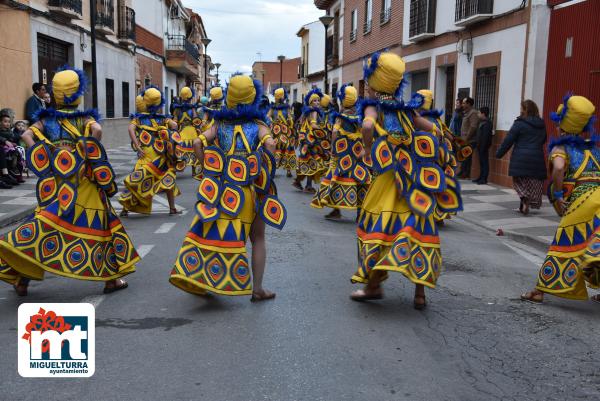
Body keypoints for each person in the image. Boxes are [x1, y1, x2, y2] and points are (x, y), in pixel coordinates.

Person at [0, 66, 139, 296]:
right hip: (84, 182)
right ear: (77, 93)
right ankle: (111, 280)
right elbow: (96, 130)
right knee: (101, 226)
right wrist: (86, 151)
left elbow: (25, 135)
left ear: (55, 93)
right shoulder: (85, 118)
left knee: (46, 225)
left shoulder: (47, 119)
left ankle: (22, 281)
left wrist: (45, 154)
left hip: (57, 184)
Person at [349, 52, 463, 309]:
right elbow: (433, 129)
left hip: (388, 178)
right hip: (414, 178)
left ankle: (373, 285)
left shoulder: (372, 106)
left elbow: (367, 127)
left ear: (374, 80)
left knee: (379, 227)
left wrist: (368, 149)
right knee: (417, 227)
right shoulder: (407, 110)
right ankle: (420, 293)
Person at [169, 74, 287, 300]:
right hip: (250, 191)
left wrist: (208, 170)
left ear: (229, 95)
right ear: (253, 95)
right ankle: (257, 289)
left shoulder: (218, 123)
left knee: (213, 233)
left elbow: (196, 142)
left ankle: (204, 280)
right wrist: (264, 172)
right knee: (258, 238)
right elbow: (271, 144)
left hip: (223, 191)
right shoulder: (258, 124)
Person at [521, 94, 600, 304]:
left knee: (563, 245)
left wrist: (557, 193)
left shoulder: (561, 148)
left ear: (563, 124)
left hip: (583, 201)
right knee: (593, 243)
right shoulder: (592, 148)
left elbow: (557, 168)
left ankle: (539, 291)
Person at [311, 84, 371, 220]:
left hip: (343, 152)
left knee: (336, 177)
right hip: (357, 151)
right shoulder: (360, 116)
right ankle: (360, 213)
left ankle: (336, 210)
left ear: (343, 100)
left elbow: (335, 132)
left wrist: (333, 147)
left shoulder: (340, 117)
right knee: (360, 178)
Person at [119, 89, 182, 217]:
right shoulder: (162, 119)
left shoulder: (138, 119)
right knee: (167, 177)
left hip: (146, 152)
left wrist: (137, 146)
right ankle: (172, 208)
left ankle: (125, 209)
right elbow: (175, 125)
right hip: (160, 153)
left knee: (138, 177)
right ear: (158, 104)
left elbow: (130, 128)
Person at [415, 89, 460, 225]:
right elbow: (450, 136)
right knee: (437, 185)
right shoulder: (436, 119)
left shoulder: (419, 119)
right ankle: (438, 216)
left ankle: (425, 214)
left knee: (424, 185)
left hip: (423, 158)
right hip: (440, 158)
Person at [496, 100, 547, 214]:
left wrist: (499, 153)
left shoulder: (519, 123)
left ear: (525, 110)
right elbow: (544, 140)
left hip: (520, 157)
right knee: (531, 181)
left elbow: (508, 140)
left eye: (522, 108)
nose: (520, 110)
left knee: (519, 181)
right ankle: (524, 204)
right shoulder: (541, 124)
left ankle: (524, 199)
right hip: (536, 157)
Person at [293, 88, 328, 193]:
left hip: (305, 140)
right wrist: (323, 130)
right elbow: (313, 124)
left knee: (307, 161)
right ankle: (308, 185)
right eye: (314, 101)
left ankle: (299, 182)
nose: (317, 102)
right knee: (313, 162)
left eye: (318, 100)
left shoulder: (306, 111)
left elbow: (299, 123)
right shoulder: (314, 112)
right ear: (310, 102)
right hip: (311, 141)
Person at [171, 87, 201, 173]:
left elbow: (175, 122)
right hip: (192, 133)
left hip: (182, 132)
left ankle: (179, 166)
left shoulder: (177, 109)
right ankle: (195, 170)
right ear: (191, 97)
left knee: (179, 149)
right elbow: (196, 120)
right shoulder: (192, 108)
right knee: (194, 151)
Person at [267, 87, 296, 177]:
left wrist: (290, 120)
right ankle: (274, 169)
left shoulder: (287, 107)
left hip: (285, 131)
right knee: (276, 149)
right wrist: (272, 121)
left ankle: (288, 170)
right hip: (276, 131)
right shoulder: (273, 107)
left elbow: (290, 117)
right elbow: (268, 116)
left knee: (287, 148)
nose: (279, 98)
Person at [0, 112, 23, 184]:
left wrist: (12, 142)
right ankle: (11, 172)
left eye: (9, 122)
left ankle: (17, 174)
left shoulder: (10, 131)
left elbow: (12, 139)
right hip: (3, 147)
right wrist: (5, 141)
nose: (7, 123)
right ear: (0, 122)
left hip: (9, 147)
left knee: (19, 152)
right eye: (5, 122)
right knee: (12, 153)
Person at [458, 97, 478, 178]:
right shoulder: (466, 112)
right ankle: (462, 171)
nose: (462, 104)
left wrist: (467, 138)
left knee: (467, 156)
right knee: (464, 155)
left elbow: (473, 126)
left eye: (464, 103)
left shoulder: (473, 113)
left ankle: (465, 173)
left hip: (469, 139)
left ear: (468, 104)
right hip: (464, 139)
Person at [472, 106, 493, 185]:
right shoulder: (482, 122)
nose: (478, 114)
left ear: (483, 114)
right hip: (480, 146)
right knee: (481, 163)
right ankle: (480, 177)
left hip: (483, 147)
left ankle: (484, 179)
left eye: (479, 113)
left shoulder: (487, 123)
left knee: (484, 163)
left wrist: (483, 147)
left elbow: (485, 137)